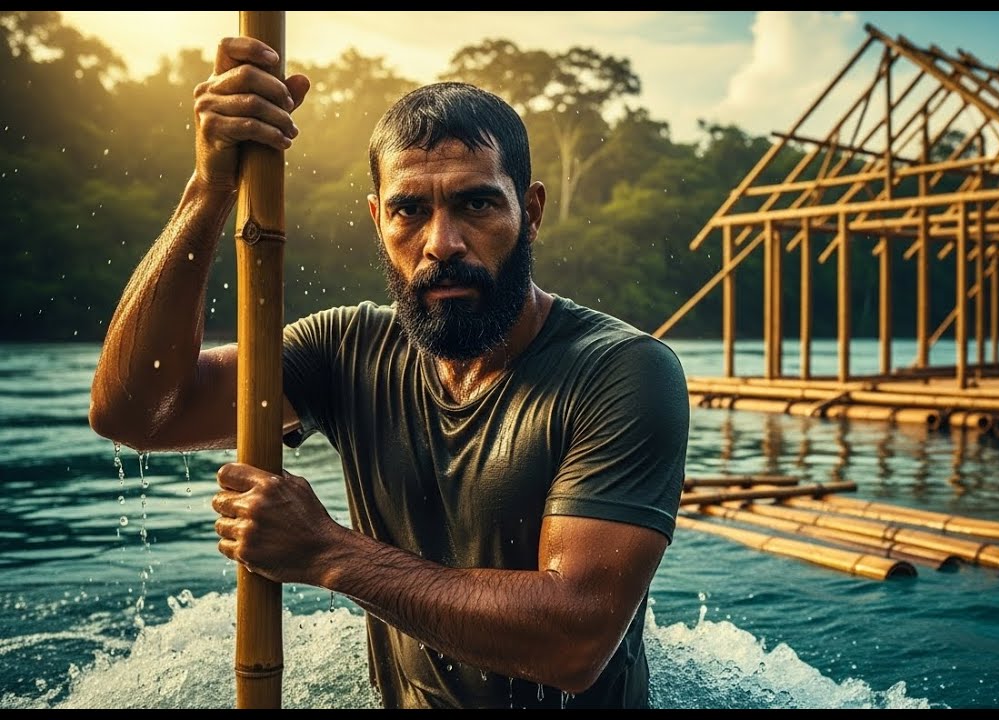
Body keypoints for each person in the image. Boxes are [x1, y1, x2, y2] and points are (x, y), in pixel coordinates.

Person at [88, 36, 690, 710]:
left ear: (532, 212)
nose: (442, 243)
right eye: (410, 210)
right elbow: (138, 413)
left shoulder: (623, 372)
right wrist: (210, 189)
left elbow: (574, 641)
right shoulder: (345, 349)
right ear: (379, 221)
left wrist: (327, 553)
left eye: (477, 205)